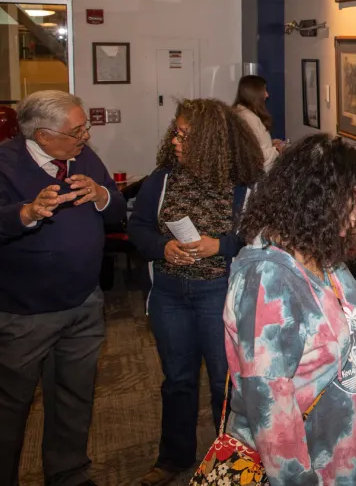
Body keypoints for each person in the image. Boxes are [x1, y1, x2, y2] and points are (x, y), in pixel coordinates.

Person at [223, 134, 356, 483]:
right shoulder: (267, 280)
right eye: (354, 200)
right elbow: (269, 409)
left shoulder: (321, 253)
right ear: (317, 200)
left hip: (342, 460)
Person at [127, 99, 263, 486]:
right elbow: (137, 226)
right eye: (176, 132)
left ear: (210, 140)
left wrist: (219, 246)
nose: (175, 140)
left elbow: (260, 237)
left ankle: (229, 464)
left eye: (185, 135)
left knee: (225, 383)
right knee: (177, 379)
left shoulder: (245, 185)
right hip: (170, 292)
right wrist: (161, 247)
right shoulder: (164, 178)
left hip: (219, 292)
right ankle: (173, 458)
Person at [0, 91, 126, 486]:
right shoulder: (5, 163)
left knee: (74, 395)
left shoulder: (83, 158)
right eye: (76, 131)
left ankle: (68, 473)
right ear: (42, 135)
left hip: (84, 302)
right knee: (10, 405)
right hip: (25, 311)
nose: (85, 136)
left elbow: (117, 209)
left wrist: (103, 195)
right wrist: (27, 212)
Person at [233, 74, 284, 170]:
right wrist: (277, 149)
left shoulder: (238, 112)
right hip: (258, 177)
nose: (267, 94)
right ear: (254, 93)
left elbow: (251, 145)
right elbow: (257, 156)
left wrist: (270, 143)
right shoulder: (249, 118)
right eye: (264, 90)